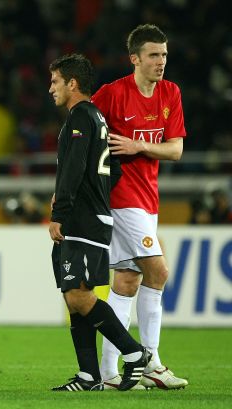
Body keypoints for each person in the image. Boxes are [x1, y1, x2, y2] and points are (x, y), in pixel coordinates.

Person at [91, 24, 188, 390]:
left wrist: (138, 146)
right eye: (153, 55)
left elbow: (175, 150)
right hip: (120, 197)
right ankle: (151, 362)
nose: (160, 61)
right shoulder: (112, 94)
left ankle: (108, 371)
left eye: (164, 55)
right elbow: (80, 131)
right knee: (158, 272)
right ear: (134, 58)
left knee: (127, 281)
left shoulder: (170, 92)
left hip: (148, 198)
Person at [48, 53, 151, 392]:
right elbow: (115, 169)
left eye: (55, 81)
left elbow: (75, 167)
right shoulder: (97, 117)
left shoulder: (80, 116)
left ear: (72, 83)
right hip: (91, 216)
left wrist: (60, 212)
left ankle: (134, 353)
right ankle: (89, 376)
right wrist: (98, 193)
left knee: (79, 296)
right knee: (73, 295)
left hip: (82, 220)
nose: (51, 88)